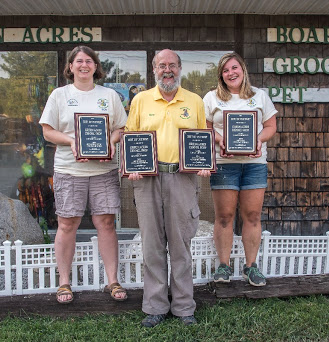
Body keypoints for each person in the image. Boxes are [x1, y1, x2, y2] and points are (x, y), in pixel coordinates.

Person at [126, 49, 210, 327]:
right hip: (147, 180)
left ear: (180, 68)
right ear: (154, 70)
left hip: (183, 179)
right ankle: (155, 306)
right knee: (151, 245)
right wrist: (132, 165)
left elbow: (202, 138)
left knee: (181, 244)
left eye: (172, 65)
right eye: (162, 65)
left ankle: (185, 308)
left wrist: (204, 161)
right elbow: (130, 137)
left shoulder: (195, 101)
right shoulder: (140, 100)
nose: (167, 70)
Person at [40, 46, 128, 304]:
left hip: (103, 170)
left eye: (89, 61)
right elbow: (47, 131)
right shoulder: (59, 95)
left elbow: (120, 128)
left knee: (107, 224)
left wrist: (111, 141)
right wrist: (71, 141)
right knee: (67, 224)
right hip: (69, 170)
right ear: (70, 67)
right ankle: (64, 282)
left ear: (95, 66)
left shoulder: (109, 95)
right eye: (79, 61)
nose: (84, 65)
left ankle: (112, 280)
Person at [203, 52, 277, 286]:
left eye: (234, 68)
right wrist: (219, 140)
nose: (230, 73)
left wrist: (258, 140)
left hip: (254, 165)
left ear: (242, 70)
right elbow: (204, 127)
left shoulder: (259, 96)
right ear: (221, 75)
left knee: (252, 216)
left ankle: (250, 266)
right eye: (225, 70)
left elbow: (270, 125)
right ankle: (223, 266)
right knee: (224, 217)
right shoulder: (212, 98)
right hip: (224, 164)